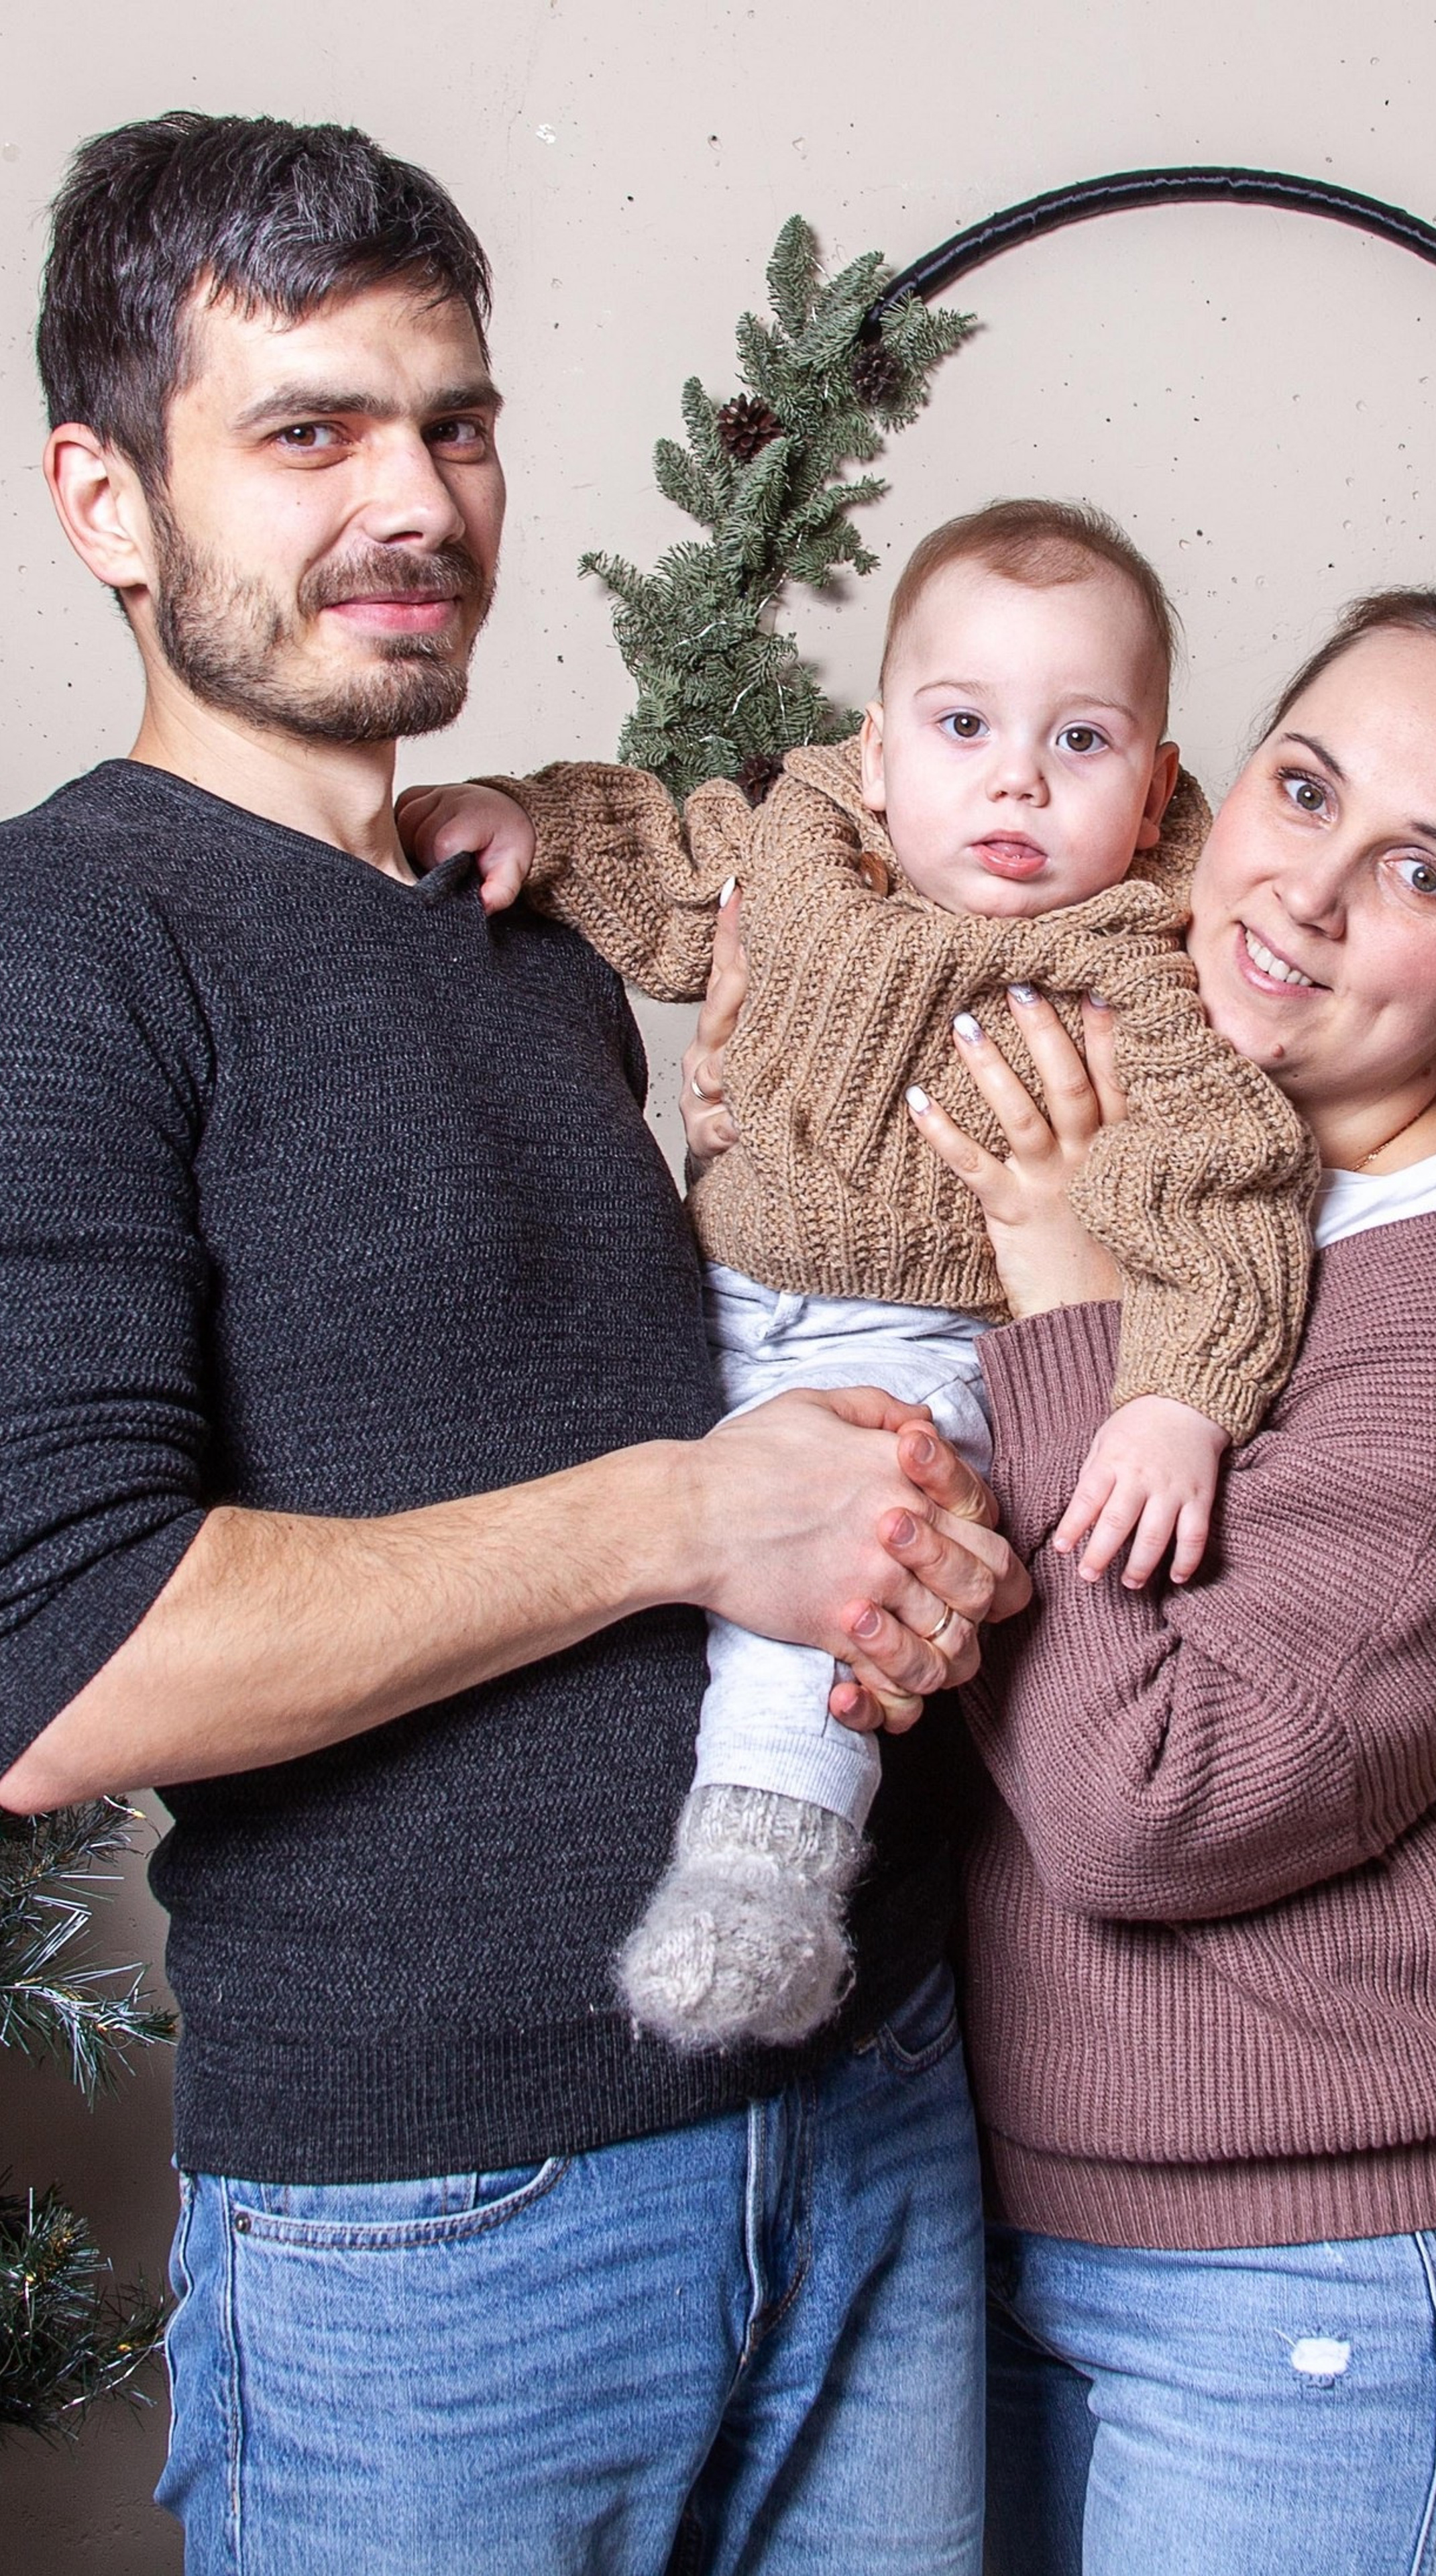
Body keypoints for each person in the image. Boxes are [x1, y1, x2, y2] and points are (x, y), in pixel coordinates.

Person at [0, 113, 1028, 2575]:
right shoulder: (68, 945)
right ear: (105, 502)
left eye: (451, 420)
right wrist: (693, 1516)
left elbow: (719, 1437)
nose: (418, 497)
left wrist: (907, 1551)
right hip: (451, 2225)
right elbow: (60, 1667)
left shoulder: (531, 923)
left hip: (867, 2103)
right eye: (310, 430)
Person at [891, 587, 1436, 2573]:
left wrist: (1067, 1297)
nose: (1308, 897)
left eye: (1421, 871)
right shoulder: (1162, 1134)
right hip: (992, 2216)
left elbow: (1140, 1805)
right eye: (1304, 787)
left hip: (1326, 2281)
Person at [400, 500, 1317, 2051]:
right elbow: (666, 857)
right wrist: (521, 819)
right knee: (569, 1499)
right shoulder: (808, 841)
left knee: (842, 1566)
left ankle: (760, 1872)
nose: (1017, 777)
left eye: (1083, 741)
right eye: (965, 725)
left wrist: (1175, 1397)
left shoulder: (1141, 961)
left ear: (1157, 781)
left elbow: (1228, 1189)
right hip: (712, 1284)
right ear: (880, 750)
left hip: (927, 1341)